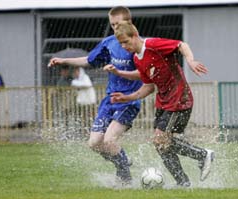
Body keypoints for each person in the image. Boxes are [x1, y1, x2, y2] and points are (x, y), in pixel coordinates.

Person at [110, 21, 214, 187]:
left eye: (126, 42)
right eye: (121, 43)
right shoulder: (137, 59)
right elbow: (148, 87)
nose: (124, 46)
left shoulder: (153, 45)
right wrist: (127, 97)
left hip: (179, 98)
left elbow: (181, 45)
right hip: (163, 101)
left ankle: (203, 155)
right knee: (161, 145)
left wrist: (190, 60)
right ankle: (183, 183)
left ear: (135, 36)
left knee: (160, 140)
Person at [48, 6, 143, 185]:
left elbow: (146, 73)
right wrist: (64, 61)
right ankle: (122, 161)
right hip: (110, 100)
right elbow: (89, 60)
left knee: (109, 140)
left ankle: (125, 178)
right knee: (94, 143)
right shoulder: (108, 43)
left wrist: (122, 74)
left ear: (129, 23)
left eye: (118, 24)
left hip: (128, 101)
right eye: (112, 24)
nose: (115, 28)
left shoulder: (137, 44)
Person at [71, 67, 96, 136]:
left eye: (77, 72)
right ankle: (83, 134)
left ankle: (91, 133)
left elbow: (87, 85)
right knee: (82, 119)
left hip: (89, 103)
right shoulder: (76, 80)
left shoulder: (85, 77)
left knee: (89, 119)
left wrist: (75, 83)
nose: (75, 73)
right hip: (81, 103)